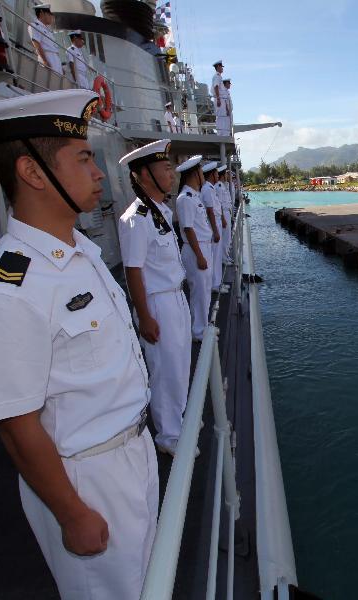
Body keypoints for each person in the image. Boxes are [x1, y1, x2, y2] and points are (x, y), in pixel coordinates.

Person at [0, 89, 158, 599]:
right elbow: (16, 422)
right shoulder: (9, 289)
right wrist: (71, 513)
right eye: (84, 158)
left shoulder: (78, 250)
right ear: (33, 172)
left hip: (132, 451)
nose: (98, 174)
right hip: (87, 479)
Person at [117, 139, 191, 457]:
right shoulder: (136, 217)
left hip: (175, 298)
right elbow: (133, 270)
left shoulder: (160, 210)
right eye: (165, 168)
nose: (171, 174)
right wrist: (144, 315)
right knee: (164, 370)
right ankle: (168, 436)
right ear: (144, 174)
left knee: (181, 365)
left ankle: (181, 420)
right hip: (157, 302)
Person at [174, 156, 214, 344]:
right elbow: (188, 228)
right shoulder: (185, 198)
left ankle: (203, 327)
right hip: (195, 249)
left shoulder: (194, 195)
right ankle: (198, 331)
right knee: (199, 292)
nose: (202, 174)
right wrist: (200, 256)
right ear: (194, 173)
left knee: (205, 291)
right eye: (200, 170)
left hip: (203, 247)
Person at [28, 4, 61, 75]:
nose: (51, 17)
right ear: (42, 13)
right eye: (49, 14)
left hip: (55, 60)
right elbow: (37, 45)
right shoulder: (35, 26)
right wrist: (45, 61)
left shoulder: (48, 31)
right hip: (48, 58)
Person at [212, 164, 230, 289]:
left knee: (227, 237)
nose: (229, 176)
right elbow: (215, 206)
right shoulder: (217, 187)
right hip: (221, 215)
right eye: (227, 173)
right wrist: (223, 217)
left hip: (225, 213)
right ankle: (224, 257)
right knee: (221, 242)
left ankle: (225, 256)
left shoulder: (222, 185)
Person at [211, 60, 230, 135]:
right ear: (218, 67)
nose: (222, 68)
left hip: (221, 100)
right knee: (220, 117)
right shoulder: (217, 76)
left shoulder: (219, 77)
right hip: (219, 99)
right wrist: (218, 98)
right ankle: (221, 133)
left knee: (223, 117)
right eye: (221, 67)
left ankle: (224, 133)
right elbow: (216, 87)